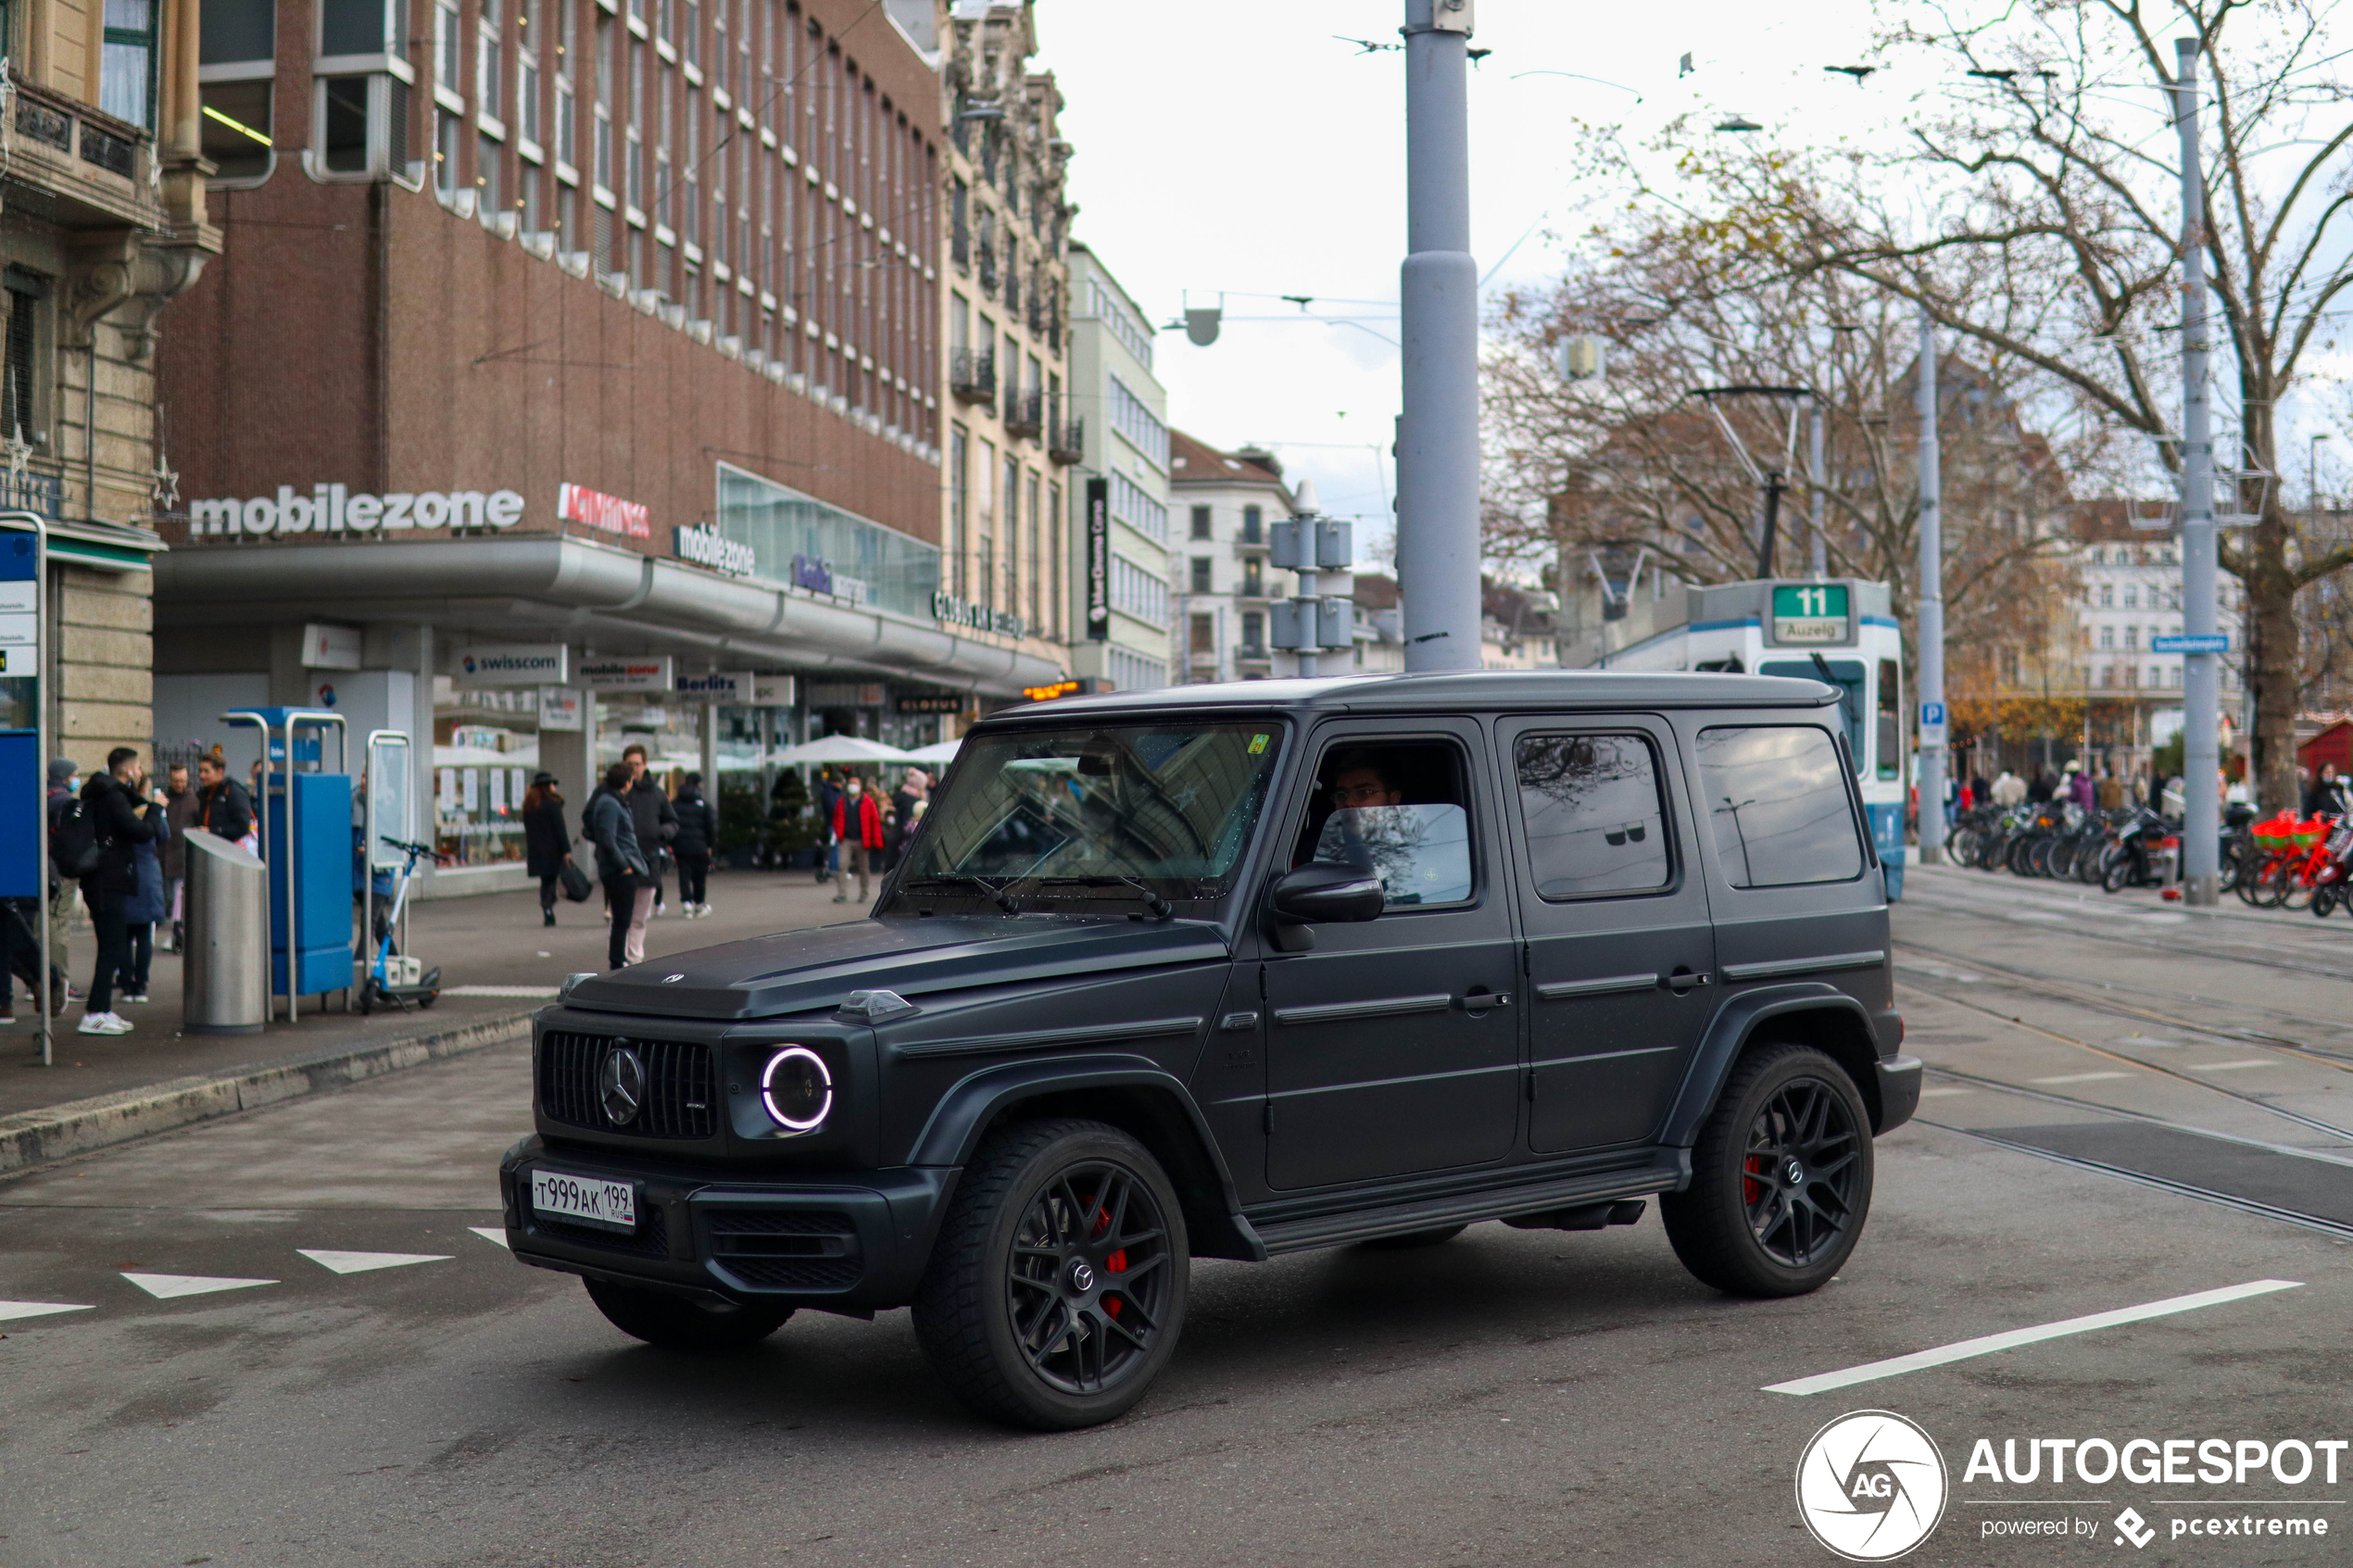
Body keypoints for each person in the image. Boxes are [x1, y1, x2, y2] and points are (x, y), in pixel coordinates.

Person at [77, 747, 157, 1035]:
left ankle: (103, 1009)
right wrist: (156, 806)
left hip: (101, 879)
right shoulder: (113, 796)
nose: (139, 773)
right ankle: (94, 1013)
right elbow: (141, 831)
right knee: (112, 947)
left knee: (113, 945)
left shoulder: (103, 792)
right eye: (136, 768)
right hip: (108, 881)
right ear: (126, 772)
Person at [585, 761, 651, 970]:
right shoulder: (609, 804)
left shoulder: (612, 801)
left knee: (623, 920)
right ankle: (617, 963)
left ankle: (618, 961)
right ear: (626, 781)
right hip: (619, 871)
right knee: (621, 921)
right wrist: (624, 866)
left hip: (621, 868)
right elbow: (607, 839)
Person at [120, 772, 170, 1006]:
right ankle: (141, 984)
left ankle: (127, 985)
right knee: (144, 935)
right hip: (147, 873)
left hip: (123, 872)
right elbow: (163, 836)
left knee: (123, 935)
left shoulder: (120, 809)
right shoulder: (153, 812)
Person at [621, 743, 678, 919]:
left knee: (640, 917)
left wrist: (661, 832)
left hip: (648, 857)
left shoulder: (657, 794)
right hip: (621, 859)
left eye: (637, 764)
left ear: (645, 765)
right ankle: (620, 947)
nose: (633, 769)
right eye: (629, 764)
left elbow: (673, 821)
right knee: (621, 917)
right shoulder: (616, 791)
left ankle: (636, 947)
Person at [522, 771, 572, 927]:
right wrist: (566, 850)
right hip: (552, 849)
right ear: (548, 786)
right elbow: (560, 829)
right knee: (550, 880)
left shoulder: (529, 806)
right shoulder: (552, 804)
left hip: (536, 849)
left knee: (546, 880)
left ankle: (547, 906)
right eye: (552, 784)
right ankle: (548, 906)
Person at [832, 773, 886, 904]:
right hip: (846, 839)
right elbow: (836, 818)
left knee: (863, 867)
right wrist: (839, 834)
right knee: (842, 865)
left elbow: (875, 821)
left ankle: (864, 893)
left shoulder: (867, 802)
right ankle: (841, 893)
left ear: (860, 786)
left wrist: (877, 840)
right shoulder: (842, 801)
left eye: (855, 783)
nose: (852, 786)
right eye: (851, 783)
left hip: (863, 840)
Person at [671, 771, 719, 918]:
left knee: (684, 874)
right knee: (700, 876)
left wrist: (671, 843)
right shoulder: (703, 804)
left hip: (681, 846)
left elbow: (670, 823)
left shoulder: (674, 804)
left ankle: (686, 903)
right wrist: (710, 844)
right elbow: (711, 826)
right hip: (700, 846)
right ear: (699, 784)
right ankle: (699, 903)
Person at [160, 762, 195, 951]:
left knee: (177, 900)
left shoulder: (193, 800)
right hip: (164, 854)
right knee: (166, 898)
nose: (179, 784)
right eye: (175, 781)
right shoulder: (163, 798)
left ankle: (176, 934)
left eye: (182, 780)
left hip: (182, 856)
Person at [195, 748, 256, 850]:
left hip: (229, 852)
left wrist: (212, 831)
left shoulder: (232, 791)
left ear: (220, 771)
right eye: (200, 771)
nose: (202, 775)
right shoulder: (203, 794)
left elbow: (242, 826)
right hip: (207, 849)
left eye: (206, 771)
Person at [888, 768, 929, 869]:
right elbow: (908, 828)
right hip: (906, 848)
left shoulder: (902, 798)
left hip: (896, 845)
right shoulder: (912, 803)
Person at [814, 767, 843, 884]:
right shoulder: (831, 793)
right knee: (834, 847)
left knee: (834, 847)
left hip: (833, 823)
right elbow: (833, 808)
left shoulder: (831, 792)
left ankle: (832, 868)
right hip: (834, 824)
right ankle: (833, 869)